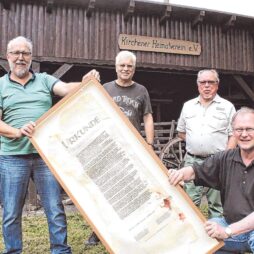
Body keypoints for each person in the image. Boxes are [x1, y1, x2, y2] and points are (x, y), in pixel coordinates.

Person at [0, 36, 100, 254]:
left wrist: (85, 83)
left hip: (46, 156)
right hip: (12, 157)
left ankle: (60, 250)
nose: (20, 57)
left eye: (25, 53)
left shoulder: (44, 80)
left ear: (31, 57)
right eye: (16, 53)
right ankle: (13, 251)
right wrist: (17, 132)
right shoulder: (0, 86)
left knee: (54, 208)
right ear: (8, 57)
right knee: (10, 212)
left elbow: (64, 89)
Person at [85, 50, 154, 246]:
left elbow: (147, 116)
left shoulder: (141, 90)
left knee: (132, 189)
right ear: (116, 67)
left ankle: (132, 229)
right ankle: (98, 231)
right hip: (107, 147)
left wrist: (149, 144)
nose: (125, 69)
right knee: (104, 190)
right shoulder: (105, 88)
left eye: (129, 66)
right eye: (122, 65)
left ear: (134, 68)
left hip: (131, 149)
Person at [169, 106, 254, 253]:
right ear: (233, 132)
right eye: (239, 130)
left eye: (249, 129)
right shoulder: (225, 158)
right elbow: (196, 171)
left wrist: (227, 231)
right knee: (200, 233)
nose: (244, 134)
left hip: (241, 230)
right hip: (229, 223)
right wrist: (179, 173)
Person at [177, 69, 236, 218]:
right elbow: (181, 132)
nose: (207, 86)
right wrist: (198, 143)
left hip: (218, 161)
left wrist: (225, 156)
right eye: (203, 82)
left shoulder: (227, 107)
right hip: (192, 160)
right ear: (198, 85)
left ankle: (217, 238)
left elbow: (233, 134)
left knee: (217, 205)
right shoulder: (188, 106)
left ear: (217, 85)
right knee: (189, 202)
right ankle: (193, 238)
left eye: (211, 82)